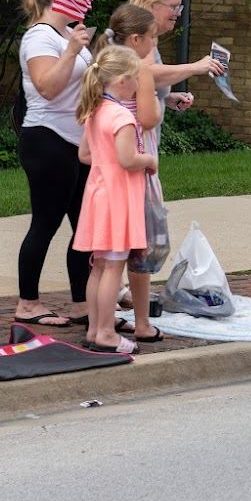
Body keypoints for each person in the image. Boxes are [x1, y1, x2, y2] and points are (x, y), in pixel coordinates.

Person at [124, 0, 226, 318]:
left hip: (144, 146)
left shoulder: (147, 41)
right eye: (173, 5)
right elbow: (143, 76)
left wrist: (170, 98)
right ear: (151, 3)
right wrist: (195, 67)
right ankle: (133, 308)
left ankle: (128, 294)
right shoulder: (131, 40)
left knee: (141, 227)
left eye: (180, 6)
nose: (177, 12)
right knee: (142, 231)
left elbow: (144, 87)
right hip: (133, 149)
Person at [13, 0, 95, 329]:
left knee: (86, 226)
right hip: (48, 139)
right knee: (46, 222)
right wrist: (71, 51)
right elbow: (47, 86)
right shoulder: (40, 36)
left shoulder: (67, 35)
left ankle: (82, 303)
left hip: (78, 143)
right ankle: (28, 303)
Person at [73, 46, 157, 355]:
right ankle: (107, 332)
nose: (138, 84)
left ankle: (96, 328)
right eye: (135, 78)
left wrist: (105, 159)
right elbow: (127, 159)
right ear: (122, 80)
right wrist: (148, 159)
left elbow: (84, 154)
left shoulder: (95, 111)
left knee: (98, 266)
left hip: (98, 193)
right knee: (113, 267)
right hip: (118, 198)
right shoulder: (121, 115)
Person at [103, 4, 168, 342]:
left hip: (103, 174)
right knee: (137, 253)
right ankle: (142, 323)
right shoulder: (139, 70)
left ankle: (100, 323)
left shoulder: (103, 66)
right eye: (153, 38)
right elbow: (147, 118)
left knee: (105, 258)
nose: (154, 46)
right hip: (134, 172)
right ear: (136, 38)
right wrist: (156, 101)